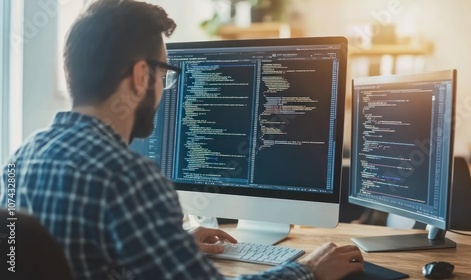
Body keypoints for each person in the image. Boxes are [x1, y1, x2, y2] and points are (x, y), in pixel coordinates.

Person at [0, 0, 363, 279]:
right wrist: (310, 270)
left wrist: (169, 246)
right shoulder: (129, 178)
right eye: (165, 74)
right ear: (142, 76)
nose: (164, 88)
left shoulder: (19, 159)